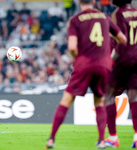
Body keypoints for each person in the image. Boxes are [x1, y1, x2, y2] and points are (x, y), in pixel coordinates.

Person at [45, 0, 127, 149]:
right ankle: (102, 140)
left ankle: (51, 139)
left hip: (84, 63)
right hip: (103, 64)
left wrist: (78, 57)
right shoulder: (105, 17)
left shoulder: (75, 20)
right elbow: (122, 39)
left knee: (67, 99)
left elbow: (71, 46)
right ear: (94, 2)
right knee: (99, 101)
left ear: (79, 2)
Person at [104, 0, 137, 148]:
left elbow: (121, 40)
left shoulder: (118, 13)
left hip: (123, 60)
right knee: (133, 97)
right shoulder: (136, 12)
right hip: (136, 59)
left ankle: (113, 137)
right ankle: (136, 136)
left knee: (108, 96)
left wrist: (111, 62)